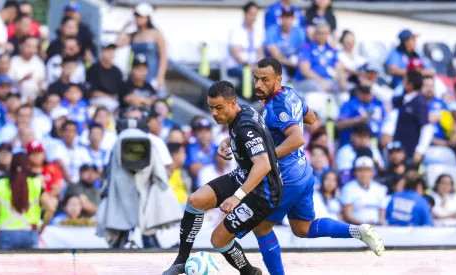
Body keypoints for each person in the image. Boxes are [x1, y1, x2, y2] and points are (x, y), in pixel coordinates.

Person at [250, 58, 384, 275]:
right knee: (302, 228)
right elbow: (311, 117)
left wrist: (264, 155)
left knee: (262, 227)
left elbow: (296, 139)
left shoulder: (276, 106)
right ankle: (358, 231)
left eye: (265, 80)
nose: (258, 84)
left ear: (278, 80)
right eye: (256, 78)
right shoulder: (291, 93)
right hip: (304, 171)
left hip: (287, 177)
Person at [163, 80, 282, 275]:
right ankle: (181, 261)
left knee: (218, 240)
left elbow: (263, 164)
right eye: (211, 108)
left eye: (219, 108)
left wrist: (237, 197)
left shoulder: (245, 128)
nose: (215, 113)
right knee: (195, 201)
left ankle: (249, 272)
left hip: (263, 192)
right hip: (243, 176)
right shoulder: (242, 112)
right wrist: (227, 141)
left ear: (232, 102)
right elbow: (249, 134)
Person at [0, 153, 55, 248]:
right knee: (30, 262)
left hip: (6, 232)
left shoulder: (0, 184)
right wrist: (42, 228)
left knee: (7, 263)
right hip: (31, 231)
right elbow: (51, 208)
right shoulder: (36, 184)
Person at [116, 3, 167, 91]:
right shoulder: (134, 35)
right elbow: (118, 43)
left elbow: (163, 56)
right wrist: (125, 27)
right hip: (136, 77)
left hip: (152, 75)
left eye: (141, 16)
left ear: (147, 17)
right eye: (136, 16)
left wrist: (160, 76)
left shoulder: (156, 33)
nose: (138, 19)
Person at [264, 8, 306, 83]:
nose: (287, 21)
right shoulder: (272, 31)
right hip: (276, 65)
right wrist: (292, 64)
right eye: (285, 17)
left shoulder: (299, 32)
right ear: (281, 18)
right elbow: (277, 57)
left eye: (289, 18)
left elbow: (303, 50)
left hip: (294, 65)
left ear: (293, 19)